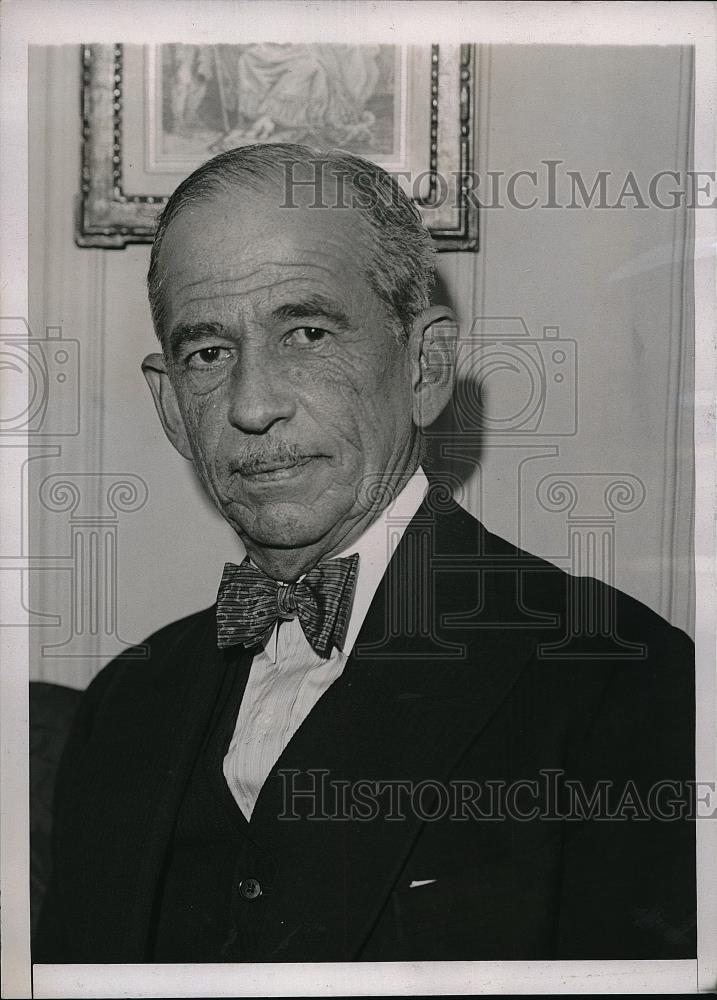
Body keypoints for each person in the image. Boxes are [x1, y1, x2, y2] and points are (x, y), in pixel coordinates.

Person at [34, 143, 695, 964]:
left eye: (306, 333)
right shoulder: (124, 701)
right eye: (208, 353)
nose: (253, 404)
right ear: (170, 404)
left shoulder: (618, 676)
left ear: (425, 368)